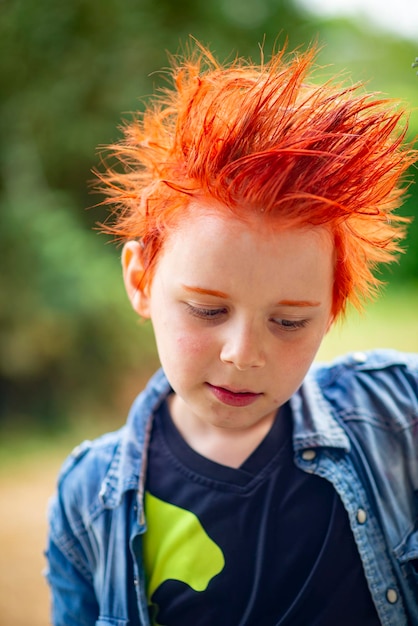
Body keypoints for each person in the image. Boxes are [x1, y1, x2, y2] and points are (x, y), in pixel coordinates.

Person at [45, 41, 418, 626]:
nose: (244, 354)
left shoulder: (402, 418)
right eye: (206, 310)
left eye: (289, 322)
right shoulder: (86, 502)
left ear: (332, 310)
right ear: (141, 279)